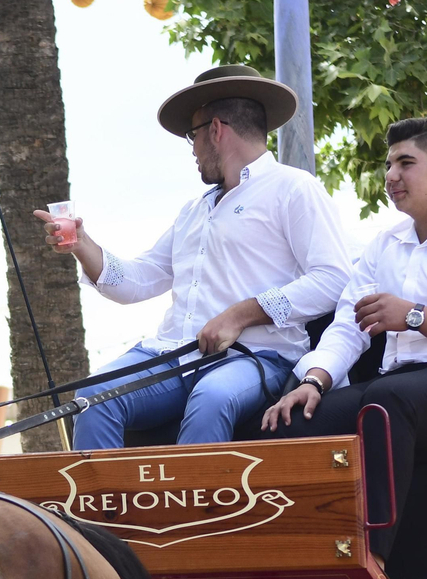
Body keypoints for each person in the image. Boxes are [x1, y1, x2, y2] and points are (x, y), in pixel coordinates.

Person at [36, 64, 350, 450]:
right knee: (92, 397)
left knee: (212, 398)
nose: (193, 151)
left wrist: (240, 314)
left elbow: (333, 278)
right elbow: (137, 280)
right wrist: (82, 244)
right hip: (173, 356)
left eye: (193, 136)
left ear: (215, 130)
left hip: (256, 356)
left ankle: (195, 494)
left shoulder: (294, 188)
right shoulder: (194, 210)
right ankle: (97, 495)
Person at [262, 117, 427, 559]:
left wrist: (415, 316)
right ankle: (294, 559)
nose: (391, 176)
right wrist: (314, 380)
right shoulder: (384, 243)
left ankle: (373, 562)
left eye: (405, 163)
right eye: (388, 164)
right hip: (404, 383)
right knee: (286, 421)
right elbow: (348, 326)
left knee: (387, 402)